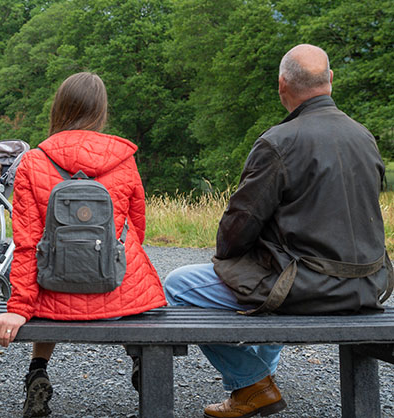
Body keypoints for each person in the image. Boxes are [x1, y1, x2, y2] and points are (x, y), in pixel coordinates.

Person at [163, 44, 392, 418]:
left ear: (282, 84)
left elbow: (238, 227)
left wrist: (228, 256)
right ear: (330, 80)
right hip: (368, 286)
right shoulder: (364, 137)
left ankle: (252, 383)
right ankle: (262, 376)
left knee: (178, 283)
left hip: (307, 288)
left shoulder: (279, 141)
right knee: (270, 273)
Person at [0, 72, 166, 417]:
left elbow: (26, 243)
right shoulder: (123, 158)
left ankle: (37, 371)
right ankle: (140, 362)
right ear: (101, 111)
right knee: (137, 293)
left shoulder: (34, 162)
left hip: (55, 292)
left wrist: (19, 308)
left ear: (59, 108)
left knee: (51, 284)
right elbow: (137, 228)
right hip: (115, 289)